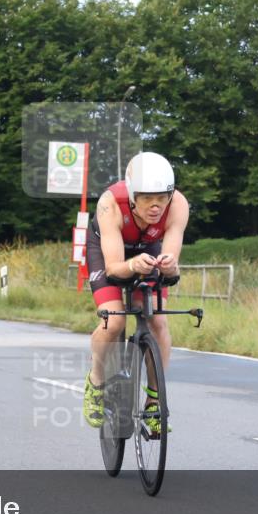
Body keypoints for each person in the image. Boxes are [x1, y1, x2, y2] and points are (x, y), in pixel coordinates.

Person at [82, 152, 190, 433]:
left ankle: (155, 403)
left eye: (162, 197)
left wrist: (168, 266)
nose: (156, 206)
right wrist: (131, 265)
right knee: (114, 320)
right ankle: (95, 381)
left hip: (147, 248)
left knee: (157, 321)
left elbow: (172, 263)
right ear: (132, 195)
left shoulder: (177, 204)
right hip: (108, 250)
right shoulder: (110, 204)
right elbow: (115, 269)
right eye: (146, 198)